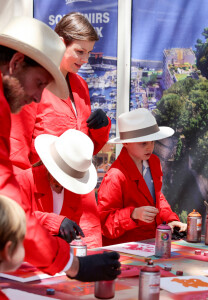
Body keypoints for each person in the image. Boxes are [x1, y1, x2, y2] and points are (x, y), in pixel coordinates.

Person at [0, 16, 120, 281]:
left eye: (89, 53)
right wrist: (71, 265)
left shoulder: (80, 86)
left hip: (77, 197)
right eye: (80, 51)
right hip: (43, 198)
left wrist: (101, 128)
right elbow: (14, 178)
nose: (38, 96)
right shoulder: (13, 100)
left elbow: (85, 147)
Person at [98, 108, 187, 246]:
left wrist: (170, 219)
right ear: (125, 143)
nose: (149, 147)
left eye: (152, 142)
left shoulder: (154, 162)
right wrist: (133, 214)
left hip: (151, 244)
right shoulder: (115, 176)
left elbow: (157, 198)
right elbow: (105, 225)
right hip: (125, 249)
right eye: (143, 143)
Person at [17, 129, 100, 246]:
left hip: (61, 257)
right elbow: (14, 218)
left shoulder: (76, 190)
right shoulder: (24, 180)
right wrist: (53, 222)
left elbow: (87, 229)